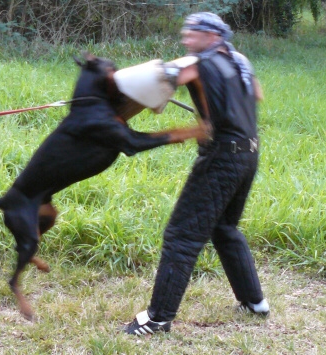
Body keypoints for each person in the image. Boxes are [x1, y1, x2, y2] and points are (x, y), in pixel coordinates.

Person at [123, 12, 269, 336]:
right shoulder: (240, 61)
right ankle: (254, 302)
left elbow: (157, 83)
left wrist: (114, 92)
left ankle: (158, 318)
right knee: (225, 228)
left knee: (181, 236)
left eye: (193, 32)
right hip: (248, 153)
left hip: (222, 158)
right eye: (186, 32)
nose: (186, 38)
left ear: (212, 35)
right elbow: (255, 94)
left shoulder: (196, 63)